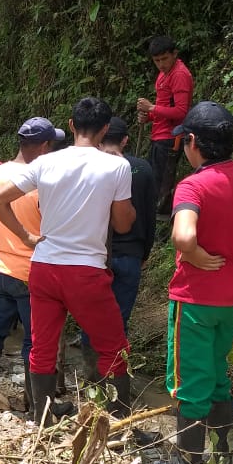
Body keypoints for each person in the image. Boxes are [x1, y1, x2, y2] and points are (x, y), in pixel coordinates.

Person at [0, 97, 136, 423]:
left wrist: (26, 237)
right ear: (105, 129)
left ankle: (41, 421)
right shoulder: (117, 167)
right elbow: (123, 223)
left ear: (71, 125)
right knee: (113, 348)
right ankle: (119, 425)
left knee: (42, 347)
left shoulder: (45, 163)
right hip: (86, 271)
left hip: (44, 268)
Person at [151, 102, 233, 464]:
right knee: (216, 375)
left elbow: (183, 235)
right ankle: (225, 460)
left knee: (190, 382)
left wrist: (194, 253)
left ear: (193, 141)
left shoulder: (193, 185)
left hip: (196, 298)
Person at [0, 117, 68, 416]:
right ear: (43, 147)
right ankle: (36, 406)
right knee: (35, 341)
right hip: (32, 273)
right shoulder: (45, 182)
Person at [80, 116, 158, 371]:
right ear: (125, 140)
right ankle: (113, 376)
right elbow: (149, 216)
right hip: (130, 255)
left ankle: (91, 376)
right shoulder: (142, 169)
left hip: (94, 254)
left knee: (90, 317)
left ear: (101, 136)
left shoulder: (88, 167)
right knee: (118, 320)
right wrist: (144, 252)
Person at [136, 35, 193, 215]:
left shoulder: (179, 75)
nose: (161, 64)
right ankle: (154, 216)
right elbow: (165, 105)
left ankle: (161, 218)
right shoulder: (164, 74)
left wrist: (151, 108)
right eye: (157, 60)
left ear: (174, 54)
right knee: (153, 179)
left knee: (161, 184)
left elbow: (181, 111)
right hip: (159, 134)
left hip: (171, 137)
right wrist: (149, 116)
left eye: (164, 59)